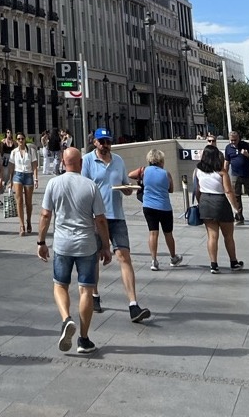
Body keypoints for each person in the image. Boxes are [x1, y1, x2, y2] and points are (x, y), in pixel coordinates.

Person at [37, 146, 111, 356]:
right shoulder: (90, 186)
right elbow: (101, 220)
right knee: (86, 290)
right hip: (86, 244)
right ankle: (84, 339)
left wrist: (41, 242)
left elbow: (45, 215)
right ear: (80, 163)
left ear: (63, 161)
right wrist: (105, 246)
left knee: (60, 285)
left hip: (62, 244)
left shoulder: (54, 183)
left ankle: (66, 319)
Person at [81, 127, 150, 323]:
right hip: (95, 217)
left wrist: (128, 189)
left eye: (108, 142)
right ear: (95, 142)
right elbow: (84, 188)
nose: (105, 145)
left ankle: (133, 304)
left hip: (117, 216)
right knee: (94, 258)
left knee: (124, 256)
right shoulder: (87, 161)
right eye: (101, 142)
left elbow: (123, 184)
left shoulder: (118, 161)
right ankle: (94, 295)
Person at [127, 148, 182, 270]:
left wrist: (141, 180)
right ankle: (173, 257)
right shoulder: (166, 173)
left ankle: (154, 260)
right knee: (168, 234)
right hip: (164, 207)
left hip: (148, 206)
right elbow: (171, 189)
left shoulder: (144, 171)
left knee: (153, 233)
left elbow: (130, 174)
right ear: (161, 160)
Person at [193, 143, 242, 273]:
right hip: (220, 202)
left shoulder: (198, 171)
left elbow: (197, 190)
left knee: (212, 236)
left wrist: (200, 202)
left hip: (205, 202)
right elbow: (229, 191)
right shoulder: (222, 172)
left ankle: (214, 264)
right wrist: (236, 208)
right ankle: (233, 262)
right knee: (228, 236)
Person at [224, 130, 249, 224]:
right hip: (235, 175)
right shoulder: (228, 148)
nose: (233, 142)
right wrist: (224, 175)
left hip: (247, 175)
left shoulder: (246, 145)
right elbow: (226, 162)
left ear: (238, 138)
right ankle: (239, 216)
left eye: (235, 140)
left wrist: (248, 155)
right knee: (236, 197)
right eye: (231, 140)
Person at [8, 133, 39, 236]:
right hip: (18, 175)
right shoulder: (14, 152)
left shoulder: (31, 151)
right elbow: (11, 167)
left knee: (28, 202)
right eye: (18, 139)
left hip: (28, 175)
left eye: (22, 138)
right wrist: (10, 181)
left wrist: (36, 178)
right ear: (16, 141)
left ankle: (29, 220)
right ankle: (21, 225)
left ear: (25, 139)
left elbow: (34, 165)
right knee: (19, 200)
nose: (20, 140)